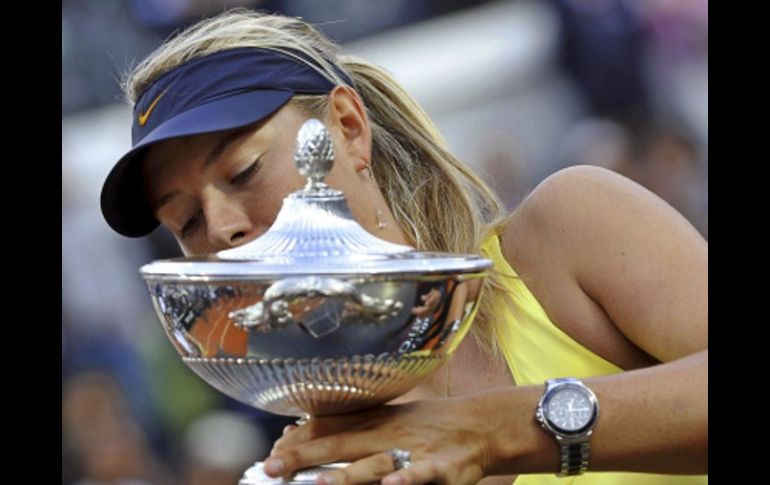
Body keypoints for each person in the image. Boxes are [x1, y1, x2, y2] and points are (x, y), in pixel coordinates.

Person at [99, 9, 707, 485]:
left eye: (243, 172)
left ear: (349, 128)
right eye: (185, 221)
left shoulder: (566, 234)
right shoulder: (331, 459)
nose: (222, 227)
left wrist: (493, 431)